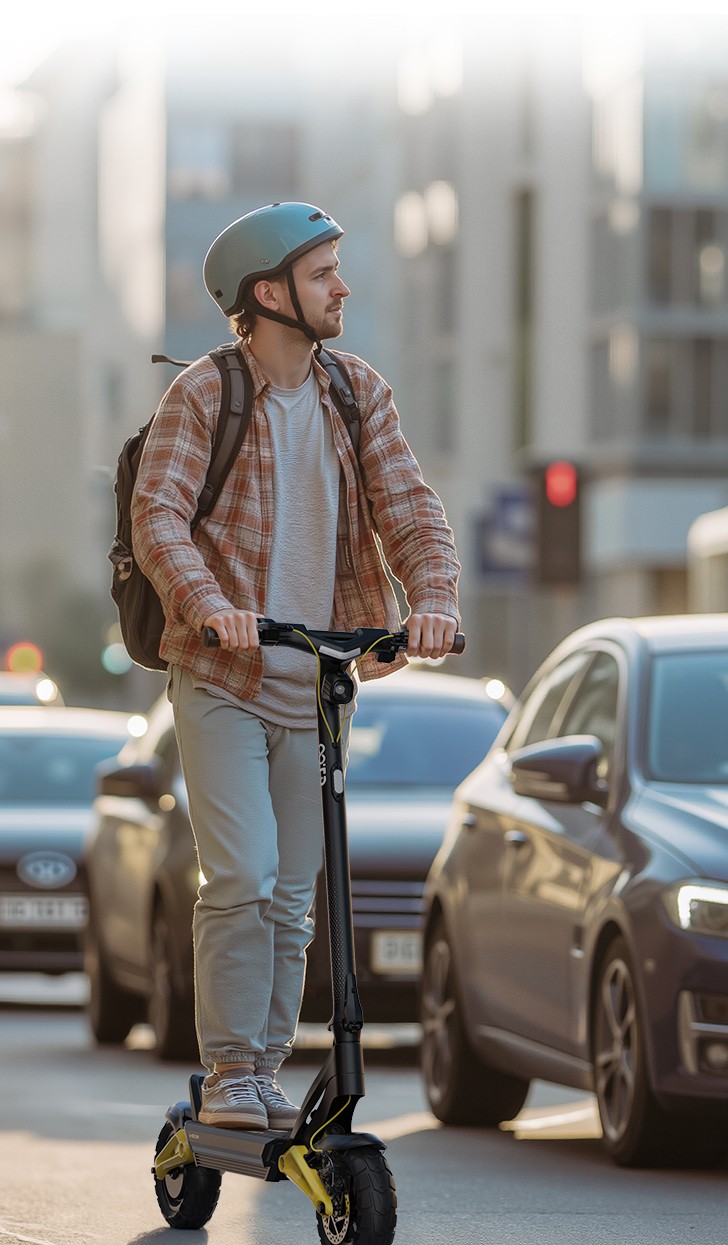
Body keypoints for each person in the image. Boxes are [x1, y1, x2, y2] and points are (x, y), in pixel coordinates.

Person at [131, 202, 461, 1131]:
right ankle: (230, 1071)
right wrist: (210, 606)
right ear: (269, 293)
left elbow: (410, 508)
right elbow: (158, 517)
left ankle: (263, 1072)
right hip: (226, 677)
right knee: (241, 875)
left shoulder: (356, 393)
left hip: (318, 683)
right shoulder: (205, 393)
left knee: (290, 896)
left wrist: (434, 598)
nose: (342, 288)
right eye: (323, 275)